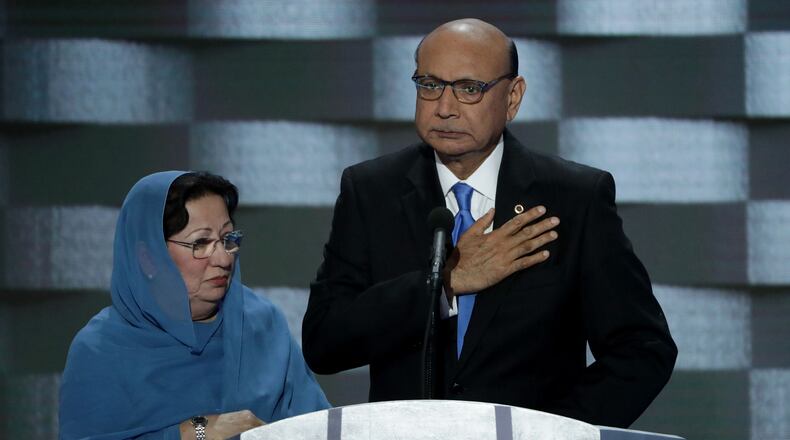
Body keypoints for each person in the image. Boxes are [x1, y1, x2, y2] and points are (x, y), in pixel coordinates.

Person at [302, 18, 677, 428]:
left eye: (469, 89)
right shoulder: (371, 191)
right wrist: (443, 286)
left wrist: (553, 432)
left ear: (512, 97)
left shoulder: (574, 198)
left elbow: (642, 349)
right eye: (429, 85)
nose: (444, 107)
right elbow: (325, 342)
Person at [59, 171, 329, 440]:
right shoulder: (100, 350)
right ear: (148, 258)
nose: (224, 258)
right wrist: (193, 432)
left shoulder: (262, 324)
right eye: (201, 243)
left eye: (228, 239)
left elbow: (318, 428)